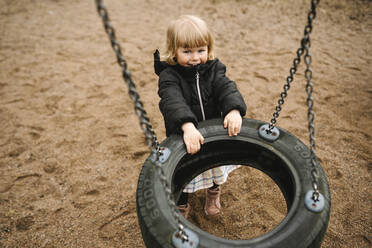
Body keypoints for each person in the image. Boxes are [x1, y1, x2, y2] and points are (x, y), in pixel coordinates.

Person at [154, 15, 247, 219]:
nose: (195, 57)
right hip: (184, 136)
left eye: (200, 50)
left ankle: (213, 193)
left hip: (213, 133)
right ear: (173, 51)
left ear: (208, 48)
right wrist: (187, 126)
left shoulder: (214, 69)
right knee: (183, 174)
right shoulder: (169, 76)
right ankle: (181, 204)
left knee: (214, 166)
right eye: (187, 51)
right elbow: (172, 102)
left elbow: (226, 88)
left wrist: (233, 109)